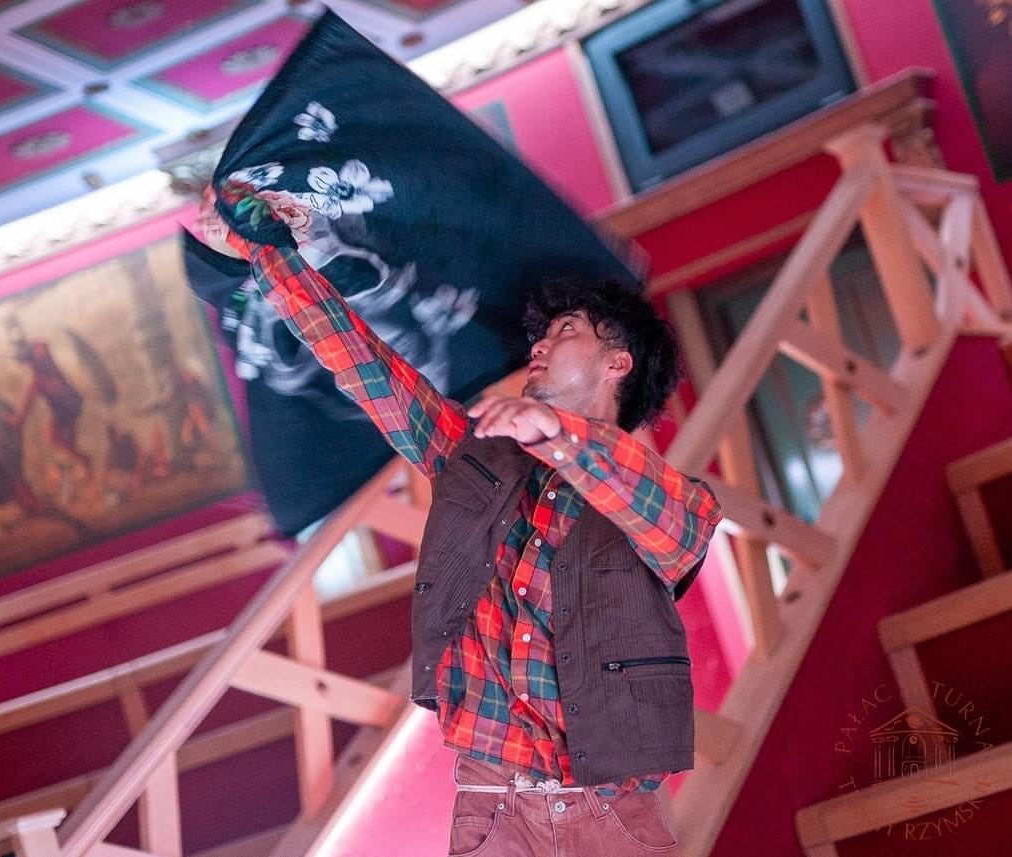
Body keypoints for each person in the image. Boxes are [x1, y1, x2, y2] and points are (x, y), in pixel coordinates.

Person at [199, 203, 723, 856]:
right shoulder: (469, 453)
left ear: (618, 363)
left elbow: (671, 515)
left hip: (612, 813)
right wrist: (266, 252)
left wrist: (561, 435)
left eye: (565, 331)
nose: (539, 346)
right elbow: (364, 366)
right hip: (492, 809)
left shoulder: (663, 498)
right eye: (543, 334)